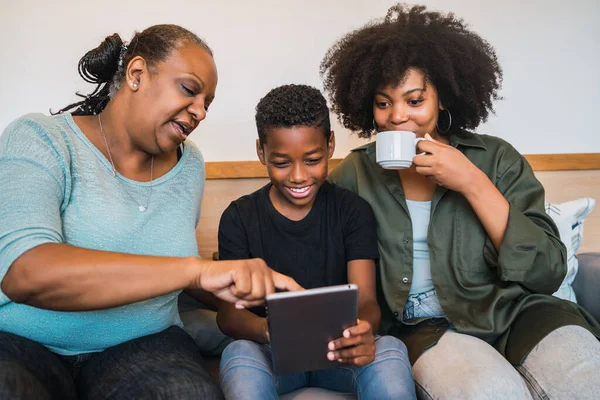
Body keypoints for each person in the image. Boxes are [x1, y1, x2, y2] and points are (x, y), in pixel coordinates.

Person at [0, 25, 300, 400]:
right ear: (137, 74)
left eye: (208, 103)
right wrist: (200, 269)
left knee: (186, 393)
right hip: (23, 344)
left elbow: (179, 270)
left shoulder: (189, 165)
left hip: (143, 343)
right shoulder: (41, 138)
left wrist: (262, 303)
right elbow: (25, 274)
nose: (201, 112)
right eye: (190, 90)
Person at [321, 4, 600, 400]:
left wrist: (471, 182)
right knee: (490, 391)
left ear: (443, 99)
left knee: (587, 379)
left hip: (520, 313)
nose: (396, 116)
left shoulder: (496, 159)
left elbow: (547, 270)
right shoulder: (355, 173)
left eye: (414, 100)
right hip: (425, 329)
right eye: (383, 103)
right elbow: (318, 245)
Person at [216, 84, 416, 400]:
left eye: (312, 159)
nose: (298, 176)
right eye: (281, 162)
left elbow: (366, 301)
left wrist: (361, 331)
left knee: (390, 348)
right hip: (272, 354)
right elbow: (228, 315)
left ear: (330, 145)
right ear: (261, 152)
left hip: (340, 355)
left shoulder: (352, 211)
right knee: (238, 354)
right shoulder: (239, 217)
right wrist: (270, 332)